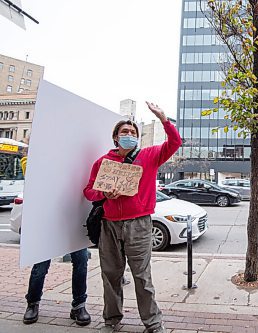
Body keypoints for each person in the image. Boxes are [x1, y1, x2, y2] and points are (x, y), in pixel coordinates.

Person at [83, 102, 182, 333]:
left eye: (133, 132)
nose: (129, 135)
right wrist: (103, 193)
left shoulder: (149, 156)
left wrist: (163, 119)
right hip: (109, 225)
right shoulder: (102, 162)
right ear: (115, 138)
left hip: (139, 224)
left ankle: (153, 323)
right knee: (110, 275)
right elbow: (88, 191)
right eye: (124, 132)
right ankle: (112, 319)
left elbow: (175, 143)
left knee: (142, 277)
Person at [21, 148, 90, 327]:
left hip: (72, 219)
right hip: (48, 221)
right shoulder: (39, 158)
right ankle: (33, 303)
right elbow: (28, 171)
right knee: (40, 265)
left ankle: (79, 305)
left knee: (81, 262)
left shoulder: (77, 162)